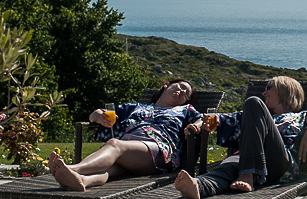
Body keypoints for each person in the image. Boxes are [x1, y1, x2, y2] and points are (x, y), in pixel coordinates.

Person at [173, 76, 307, 199]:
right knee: (227, 168)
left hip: (278, 165)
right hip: (243, 159)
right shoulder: (250, 115)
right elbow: (219, 119)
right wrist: (201, 123)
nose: (264, 93)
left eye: (269, 88)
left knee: (253, 102)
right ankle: (199, 186)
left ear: (285, 90)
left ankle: (248, 174)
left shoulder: (303, 116)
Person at [48, 79, 203, 191]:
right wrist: (98, 117)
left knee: (114, 144)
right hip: (130, 154)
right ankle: (81, 180)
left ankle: (72, 169)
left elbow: (202, 119)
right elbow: (96, 114)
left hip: (157, 150)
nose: (182, 91)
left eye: (186, 93)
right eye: (181, 86)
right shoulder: (134, 107)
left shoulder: (184, 110)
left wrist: (195, 126)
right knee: (111, 169)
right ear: (167, 85)